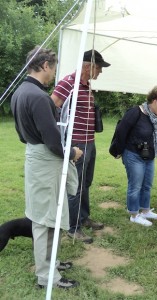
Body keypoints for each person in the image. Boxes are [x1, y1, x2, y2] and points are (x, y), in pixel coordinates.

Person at [11, 46, 83, 289]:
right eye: (53, 68)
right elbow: (53, 142)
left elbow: (22, 135)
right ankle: (47, 276)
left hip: (34, 155)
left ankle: (53, 262)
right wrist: (72, 152)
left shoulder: (20, 91)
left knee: (48, 215)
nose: (53, 74)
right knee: (44, 220)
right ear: (44, 66)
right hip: (45, 161)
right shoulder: (39, 97)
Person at [51, 49, 110, 243]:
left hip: (89, 142)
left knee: (85, 182)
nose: (100, 72)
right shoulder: (68, 82)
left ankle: (83, 218)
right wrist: (62, 136)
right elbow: (52, 106)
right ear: (87, 66)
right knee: (75, 185)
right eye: (99, 68)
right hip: (76, 142)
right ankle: (72, 227)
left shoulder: (86, 85)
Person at [113, 86, 157, 226]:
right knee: (135, 186)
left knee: (147, 185)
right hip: (133, 155)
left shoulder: (154, 117)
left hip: (148, 155)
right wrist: (119, 151)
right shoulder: (135, 112)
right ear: (155, 101)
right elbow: (121, 131)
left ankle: (145, 211)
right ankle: (134, 214)